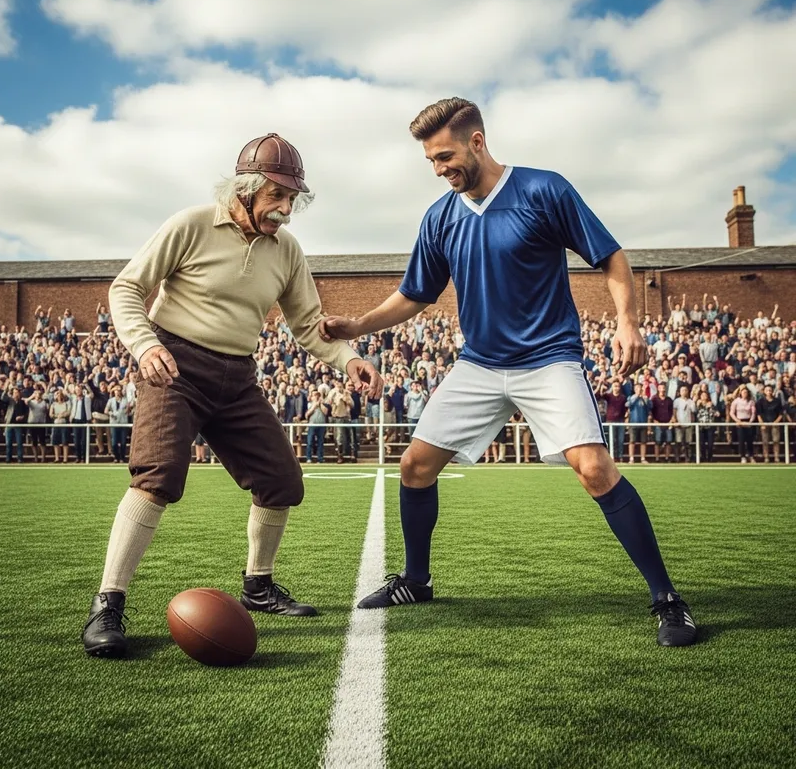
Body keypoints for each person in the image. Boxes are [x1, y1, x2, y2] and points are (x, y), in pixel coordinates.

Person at [320, 97, 696, 647]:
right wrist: (357, 326)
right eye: (430, 160)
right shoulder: (440, 217)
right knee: (415, 466)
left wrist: (626, 322)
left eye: (445, 155)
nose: (439, 168)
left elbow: (611, 258)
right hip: (479, 362)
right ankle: (416, 581)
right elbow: (414, 294)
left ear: (477, 141)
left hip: (549, 358)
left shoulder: (543, 190)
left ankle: (668, 599)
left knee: (593, 469)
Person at [82, 133, 382, 658]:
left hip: (236, 375)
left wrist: (348, 359)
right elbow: (125, 288)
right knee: (158, 478)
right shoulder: (190, 224)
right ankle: (108, 603)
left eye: (292, 200)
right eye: (276, 197)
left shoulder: (287, 250)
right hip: (172, 364)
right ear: (244, 190)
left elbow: (308, 324)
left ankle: (258, 587)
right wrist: (145, 345)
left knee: (282, 481)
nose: (286, 210)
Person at [756, 384, 783, 463]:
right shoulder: (760, 401)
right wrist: (762, 424)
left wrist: (775, 422)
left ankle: (776, 457)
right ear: (764, 391)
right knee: (765, 441)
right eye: (767, 390)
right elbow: (759, 414)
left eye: (770, 390)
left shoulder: (777, 401)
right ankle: (766, 457)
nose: (769, 392)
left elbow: (781, 414)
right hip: (764, 424)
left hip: (775, 424)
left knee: (776, 440)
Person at [729, 386, 757, 463]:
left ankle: (751, 456)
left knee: (749, 440)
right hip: (739, 421)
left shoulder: (751, 401)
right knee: (741, 440)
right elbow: (731, 413)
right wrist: (738, 421)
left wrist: (750, 422)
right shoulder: (736, 401)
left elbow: (753, 413)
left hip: (748, 421)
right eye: (743, 392)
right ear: (740, 393)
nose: (745, 393)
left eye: (746, 392)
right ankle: (743, 456)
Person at [625, 383, 649, 464]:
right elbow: (628, 405)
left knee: (643, 441)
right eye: (637, 388)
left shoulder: (644, 398)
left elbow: (649, 407)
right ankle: (631, 458)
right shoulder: (631, 398)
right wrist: (636, 396)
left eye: (640, 388)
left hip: (643, 423)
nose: (639, 389)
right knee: (632, 441)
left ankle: (643, 458)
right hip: (633, 423)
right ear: (635, 389)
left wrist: (645, 399)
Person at [672, 385, 697, 462]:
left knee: (687, 442)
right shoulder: (677, 401)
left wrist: (692, 423)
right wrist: (675, 421)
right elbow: (674, 411)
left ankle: (687, 457)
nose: (684, 392)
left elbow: (693, 412)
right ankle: (677, 457)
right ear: (679, 392)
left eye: (685, 390)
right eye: (682, 390)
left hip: (688, 424)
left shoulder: (691, 402)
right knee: (678, 441)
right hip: (679, 424)